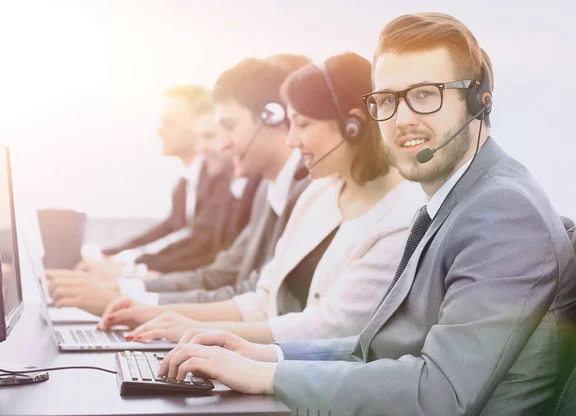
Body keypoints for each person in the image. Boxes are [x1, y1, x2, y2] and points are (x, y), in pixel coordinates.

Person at [154, 13, 576, 415]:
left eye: (424, 95)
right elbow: (373, 350)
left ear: (478, 102)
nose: (402, 119)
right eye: (387, 100)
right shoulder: (455, 202)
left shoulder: (502, 212)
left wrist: (270, 376)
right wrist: (263, 354)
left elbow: (441, 392)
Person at [98, 52, 426, 345]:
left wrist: (201, 333)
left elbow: (331, 328)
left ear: (352, 126)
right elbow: (262, 300)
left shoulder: (402, 216)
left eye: (303, 124)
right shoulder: (319, 194)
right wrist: (165, 315)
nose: (292, 139)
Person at [113, 54, 313, 306]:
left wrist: (135, 298)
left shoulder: (308, 193)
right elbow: (220, 275)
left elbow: (256, 297)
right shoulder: (266, 191)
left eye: (230, 127)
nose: (223, 143)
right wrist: (128, 290)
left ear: (272, 116)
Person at [46, 85, 258, 314]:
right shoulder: (186, 185)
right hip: (198, 289)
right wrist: (113, 258)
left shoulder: (226, 182)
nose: (160, 131)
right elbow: (172, 232)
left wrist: (129, 271)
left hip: (209, 296)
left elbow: (199, 246)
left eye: (171, 121)